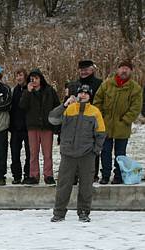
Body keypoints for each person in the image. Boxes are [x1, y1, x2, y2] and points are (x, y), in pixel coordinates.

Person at [49, 84, 106, 223]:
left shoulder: (95, 112)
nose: (83, 95)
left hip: (86, 155)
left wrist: (95, 151)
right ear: (77, 94)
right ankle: (59, 213)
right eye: (81, 93)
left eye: (86, 93)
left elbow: (101, 133)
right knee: (63, 185)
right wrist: (64, 105)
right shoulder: (69, 109)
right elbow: (52, 119)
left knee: (86, 185)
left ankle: (84, 212)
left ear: (89, 96)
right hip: (68, 154)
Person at [93, 59, 143, 185]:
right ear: (118, 70)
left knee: (120, 154)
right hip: (106, 125)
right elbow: (97, 100)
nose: (124, 70)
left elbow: (136, 107)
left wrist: (126, 120)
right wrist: (101, 118)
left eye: (127, 68)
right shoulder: (107, 84)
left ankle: (118, 176)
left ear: (131, 71)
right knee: (105, 152)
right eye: (122, 68)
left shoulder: (135, 88)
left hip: (122, 126)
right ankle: (105, 175)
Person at [19, 69, 60, 185]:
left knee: (47, 154)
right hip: (32, 127)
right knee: (33, 153)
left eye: (36, 78)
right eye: (32, 79)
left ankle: (48, 175)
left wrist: (55, 123)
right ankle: (33, 175)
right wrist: (28, 92)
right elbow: (22, 106)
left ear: (41, 79)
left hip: (47, 127)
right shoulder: (27, 91)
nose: (34, 81)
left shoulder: (49, 90)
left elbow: (57, 106)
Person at [9, 68, 30, 184]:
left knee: (29, 153)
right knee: (15, 153)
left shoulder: (30, 89)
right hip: (16, 128)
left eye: (21, 75)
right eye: (17, 76)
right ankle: (16, 175)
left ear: (25, 76)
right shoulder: (14, 90)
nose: (19, 78)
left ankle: (28, 174)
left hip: (28, 127)